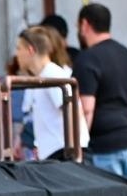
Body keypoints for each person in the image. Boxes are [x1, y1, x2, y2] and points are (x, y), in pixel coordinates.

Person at [74, 3, 127, 180]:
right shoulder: (125, 54)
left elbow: (86, 108)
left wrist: (79, 146)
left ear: (84, 25)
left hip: (105, 143)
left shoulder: (87, 58)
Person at [15, 26, 86, 160]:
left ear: (30, 50)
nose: (17, 54)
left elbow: (72, 111)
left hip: (64, 153)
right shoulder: (43, 76)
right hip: (56, 152)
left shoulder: (52, 74)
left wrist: (73, 154)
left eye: (19, 48)